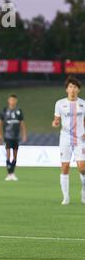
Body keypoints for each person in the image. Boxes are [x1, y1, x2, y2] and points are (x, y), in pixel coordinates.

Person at [51, 76, 85, 205]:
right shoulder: (59, 103)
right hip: (65, 138)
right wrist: (55, 122)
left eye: (75, 87)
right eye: (70, 87)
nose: (72, 89)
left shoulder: (83, 104)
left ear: (78, 90)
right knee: (65, 167)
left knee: (82, 168)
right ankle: (66, 197)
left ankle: (84, 191)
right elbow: (57, 119)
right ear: (66, 89)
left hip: (80, 139)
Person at [0, 94, 27, 181]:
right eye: (11, 100)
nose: (12, 102)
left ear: (16, 101)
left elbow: (22, 124)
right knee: (8, 154)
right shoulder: (5, 111)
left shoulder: (19, 111)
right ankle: (9, 173)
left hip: (16, 137)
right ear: (8, 101)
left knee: (15, 156)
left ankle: (12, 173)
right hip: (7, 136)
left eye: (14, 100)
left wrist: (24, 134)